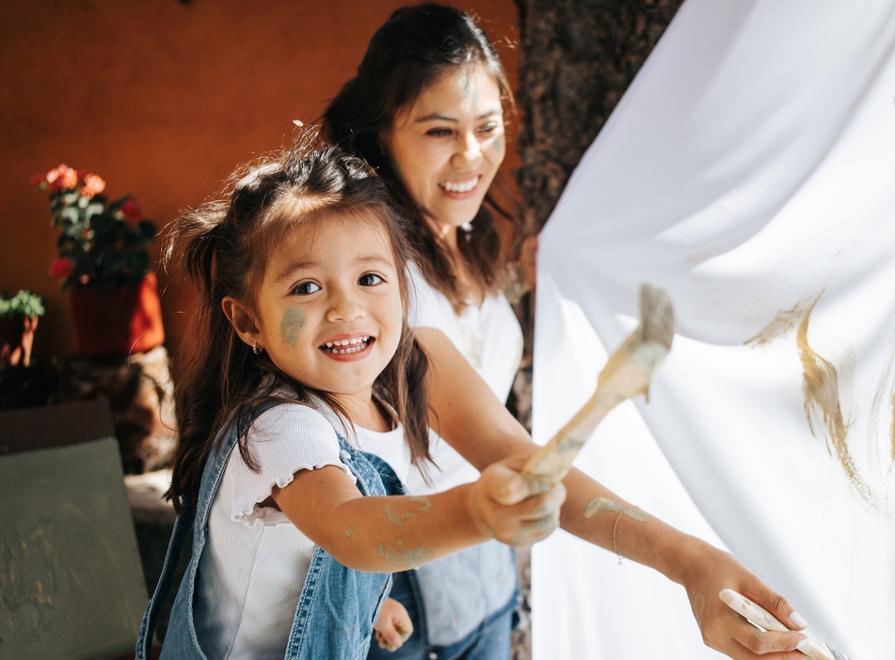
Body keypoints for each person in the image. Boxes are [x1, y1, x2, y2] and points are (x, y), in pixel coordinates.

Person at [323, 4, 816, 659]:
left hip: (486, 571)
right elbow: (509, 453)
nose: (471, 156)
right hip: (397, 590)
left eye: (488, 127)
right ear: (382, 132)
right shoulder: (374, 286)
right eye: (440, 131)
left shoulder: (464, 240)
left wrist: (530, 283)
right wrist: (688, 562)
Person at [135, 137, 567, 659]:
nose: (346, 307)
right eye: (306, 288)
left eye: (369, 278)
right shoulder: (281, 427)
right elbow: (349, 526)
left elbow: (306, 547)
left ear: (404, 290)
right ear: (248, 321)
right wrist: (475, 513)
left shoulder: (388, 394)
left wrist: (371, 602)